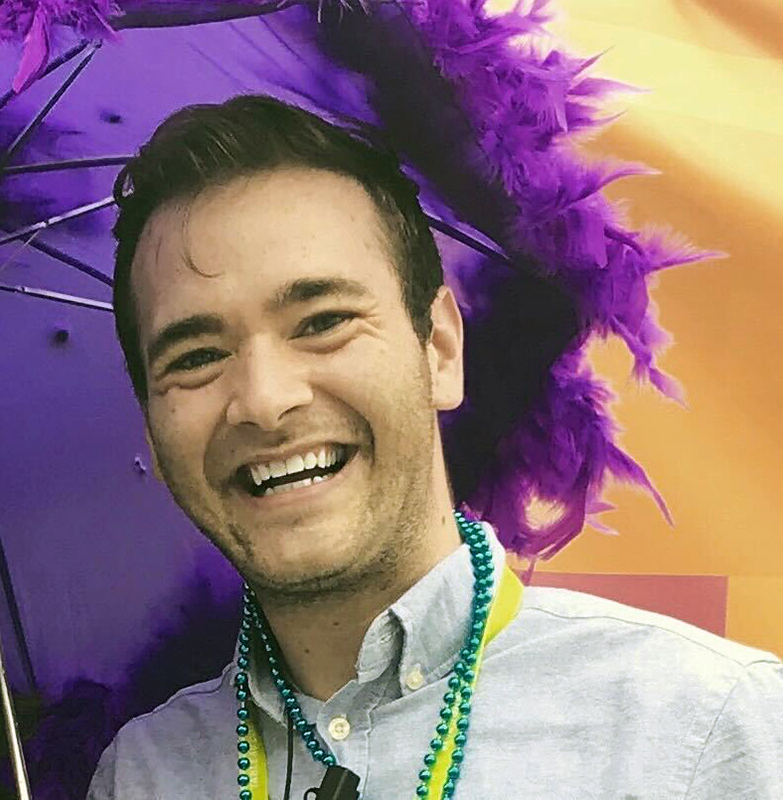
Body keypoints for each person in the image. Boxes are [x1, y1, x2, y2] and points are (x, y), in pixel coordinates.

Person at [87, 95, 783, 800]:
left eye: (323, 321)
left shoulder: (705, 731)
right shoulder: (143, 774)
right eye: (198, 356)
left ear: (442, 349)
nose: (265, 400)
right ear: (150, 417)